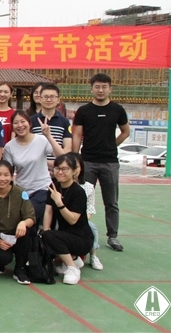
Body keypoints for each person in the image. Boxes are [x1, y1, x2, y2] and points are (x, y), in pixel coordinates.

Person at [71, 73, 129, 252]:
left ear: (110, 89)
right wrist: (75, 158)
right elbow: (77, 135)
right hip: (87, 161)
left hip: (110, 162)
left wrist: (112, 145)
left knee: (111, 201)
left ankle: (113, 236)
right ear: (91, 89)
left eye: (104, 87)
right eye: (97, 87)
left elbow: (125, 132)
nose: (101, 90)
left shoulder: (117, 110)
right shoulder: (83, 111)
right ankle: (79, 231)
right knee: (81, 198)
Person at [43, 153, 94, 285]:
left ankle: (72, 268)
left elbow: (72, 220)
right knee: (44, 237)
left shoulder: (78, 192)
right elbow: (48, 212)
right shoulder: (54, 187)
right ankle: (74, 259)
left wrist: (59, 202)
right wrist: (46, 232)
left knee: (50, 237)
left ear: (74, 171)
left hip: (82, 238)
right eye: (57, 168)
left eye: (65, 169)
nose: (60, 172)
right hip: (65, 234)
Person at [4, 110, 65, 219]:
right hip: (21, 190)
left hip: (42, 188)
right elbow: (7, 171)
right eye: (16, 123)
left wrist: (48, 135)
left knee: (32, 215)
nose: (20, 125)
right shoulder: (9, 146)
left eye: (23, 121)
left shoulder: (41, 140)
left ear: (29, 123)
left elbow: (61, 157)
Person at [30, 84, 72, 169]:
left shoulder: (64, 121)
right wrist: (46, 163)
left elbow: (68, 147)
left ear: (58, 100)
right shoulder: (31, 120)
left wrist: (58, 163)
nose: (49, 100)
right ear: (40, 99)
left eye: (52, 97)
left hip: (58, 167)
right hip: (36, 166)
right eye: (45, 97)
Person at [73, 153, 103, 270]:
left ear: (81, 168)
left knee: (92, 227)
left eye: (76, 167)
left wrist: (81, 221)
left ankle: (93, 255)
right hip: (65, 218)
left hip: (81, 219)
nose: (74, 170)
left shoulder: (88, 187)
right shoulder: (60, 185)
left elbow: (90, 208)